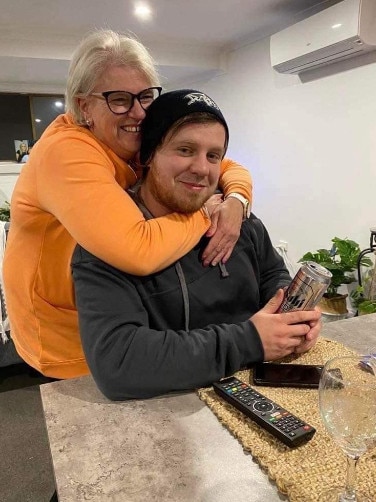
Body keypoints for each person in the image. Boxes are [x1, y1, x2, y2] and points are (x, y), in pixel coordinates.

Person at [3, 30, 253, 379]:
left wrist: (238, 200)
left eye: (145, 97)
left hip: (115, 314)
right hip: (65, 337)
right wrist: (205, 210)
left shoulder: (127, 142)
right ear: (84, 105)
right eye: (119, 99)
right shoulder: (65, 152)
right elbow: (137, 249)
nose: (138, 112)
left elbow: (223, 166)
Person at [71, 89, 321, 400]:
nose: (202, 169)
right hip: (172, 415)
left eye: (213, 155)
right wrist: (250, 340)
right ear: (148, 155)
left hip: (262, 389)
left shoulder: (236, 216)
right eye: (185, 150)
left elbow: (272, 272)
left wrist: (291, 317)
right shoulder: (108, 242)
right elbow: (118, 363)